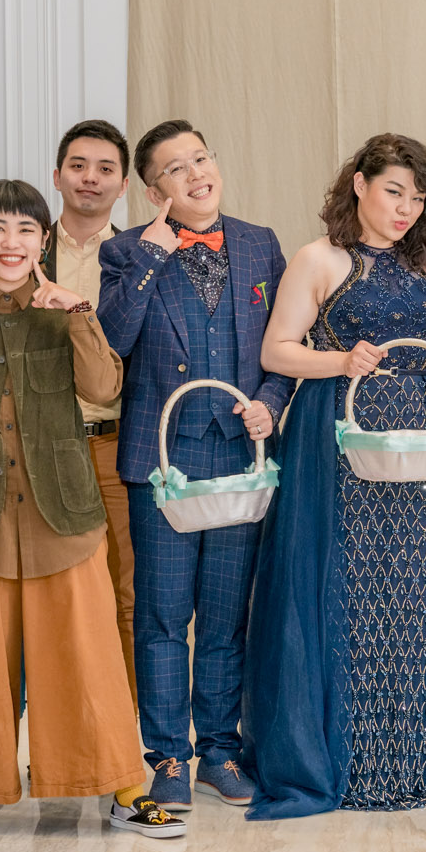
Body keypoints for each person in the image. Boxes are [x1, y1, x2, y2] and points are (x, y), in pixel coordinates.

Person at [242, 132, 426, 818]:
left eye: (418, 199)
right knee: (339, 584)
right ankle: (342, 755)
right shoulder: (319, 258)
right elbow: (277, 351)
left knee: (413, 586)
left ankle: (411, 751)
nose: (405, 209)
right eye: (394, 191)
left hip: (417, 430)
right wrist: (339, 362)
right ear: (359, 184)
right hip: (334, 433)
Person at [0, 179, 183, 839]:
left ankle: (122, 788)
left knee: (88, 656)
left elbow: (104, 386)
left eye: (25, 230)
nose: (10, 242)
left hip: (65, 512)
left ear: (42, 240)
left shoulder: (65, 306)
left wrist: (77, 312)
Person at [97, 121, 295, 811]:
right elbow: (113, 339)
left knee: (224, 615)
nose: (196, 174)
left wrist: (271, 404)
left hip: (239, 453)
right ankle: (166, 756)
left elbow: (285, 344)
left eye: (201, 158)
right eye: (176, 168)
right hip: (162, 458)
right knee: (160, 615)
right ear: (154, 190)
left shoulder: (259, 243)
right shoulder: (125, 250)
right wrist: (153, 256)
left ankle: (217, 748)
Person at [45, 119, 138, 696]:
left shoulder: (141, 259)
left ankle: (127, 729)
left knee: (126, 591)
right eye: (78, 166)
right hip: (45, 445)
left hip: (117, 444)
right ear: (57, 176)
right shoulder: (24, 251)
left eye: (105, 169)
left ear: (123, 185)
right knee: (55, 593)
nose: (90, 178)